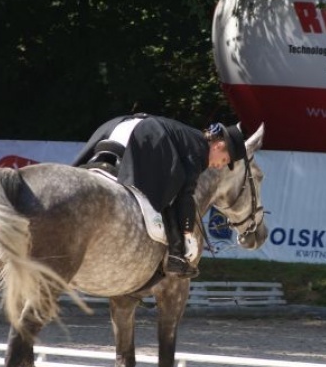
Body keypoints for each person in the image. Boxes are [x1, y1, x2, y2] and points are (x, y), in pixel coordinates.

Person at [73, 114, 247, 278]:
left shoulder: (191, 138)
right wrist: (187, 235)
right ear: (219, 146)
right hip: (148, 133)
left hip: (116, 126)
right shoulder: (200, 149)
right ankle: (176, 256)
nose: (218, 166)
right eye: (224, 160)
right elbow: (186, 195)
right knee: (175, 187)